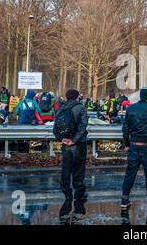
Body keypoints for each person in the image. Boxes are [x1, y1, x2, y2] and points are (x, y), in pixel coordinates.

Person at [53, 89, 89, 218]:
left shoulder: (61, 108)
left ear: (67, 97)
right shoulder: (80, 108)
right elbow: (83, 127)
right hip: (78, 144)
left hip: (65, 144)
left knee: (66, 168)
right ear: (76, 97)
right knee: (79, 169)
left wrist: (62, 139)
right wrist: (74, 140)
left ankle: (67, 194)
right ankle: (78, 195)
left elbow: (55, 129)